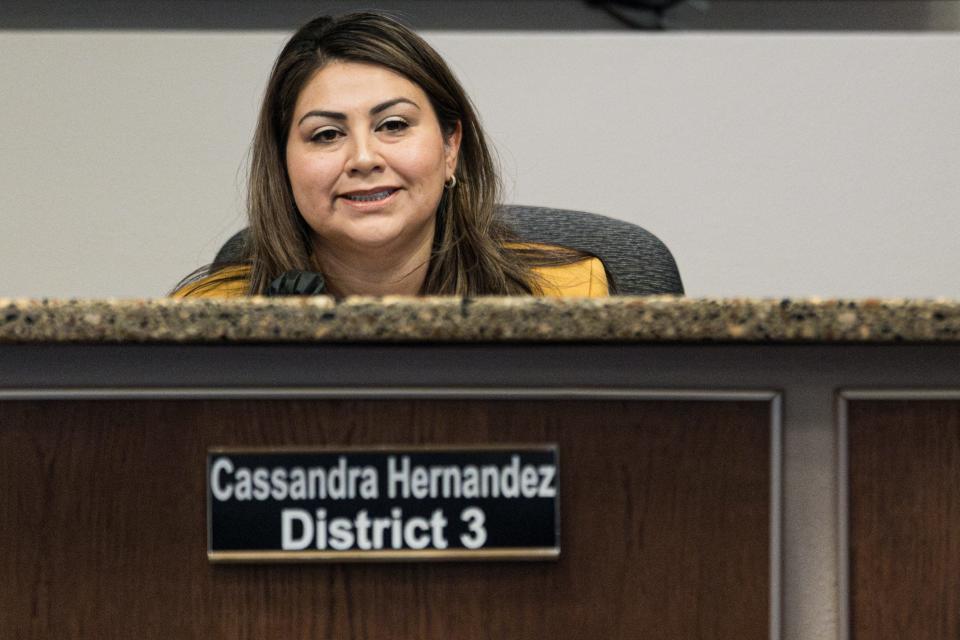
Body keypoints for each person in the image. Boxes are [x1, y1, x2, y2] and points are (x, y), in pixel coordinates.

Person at [174, 12, 608, 298]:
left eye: (394, 126)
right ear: (283, 165)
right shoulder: (207, 314)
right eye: (326, 135)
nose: (363, 158)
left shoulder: (566, 294)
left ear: (450, 146)